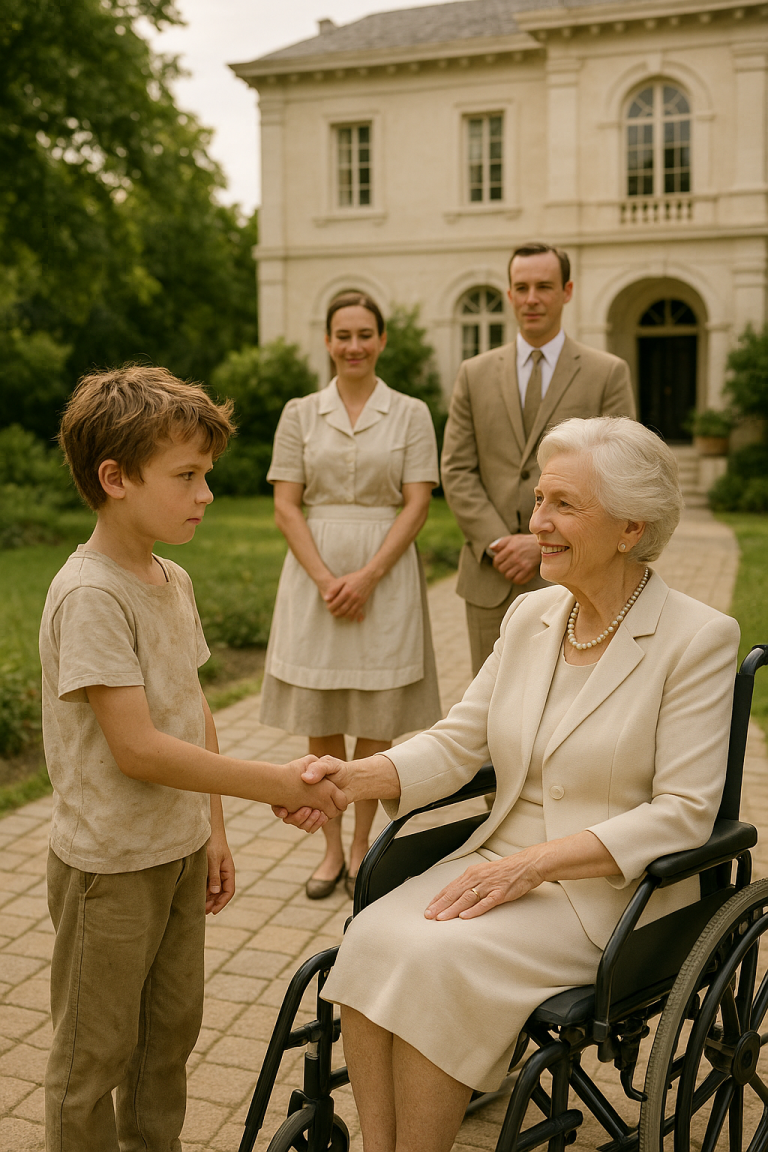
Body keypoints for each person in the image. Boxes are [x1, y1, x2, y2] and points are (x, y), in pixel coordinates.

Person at [284, 416, 740, 1152]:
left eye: (563, 505)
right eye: (538, 501)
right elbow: (460, 740)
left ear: (631, 526)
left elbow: (686, 812)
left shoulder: (697, 638)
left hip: (609, 894)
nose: (537, 524)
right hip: (498, 863)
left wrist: (535, 865)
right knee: (370, 936)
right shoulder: (532, 615)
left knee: (436, 960)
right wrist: (353, 777)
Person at [42, 366, 345, 1151]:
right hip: (109, 869)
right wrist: (274, 782)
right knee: (93, 1059)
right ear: (115, 479)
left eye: (205, 475)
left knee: (166, 1043)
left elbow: (194, 707)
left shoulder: (168, 577)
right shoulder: (91, 596)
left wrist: (213, 830)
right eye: (187, 476)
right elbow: (138, 749)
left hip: (177, 855)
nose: (206, 494)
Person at [260, 291, 442, 899]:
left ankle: (363, 846)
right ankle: (330, 849)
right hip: (314, 573)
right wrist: (324, 578)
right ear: (328, 340)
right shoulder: (300, 413)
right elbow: (286, 504)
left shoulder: (411, 412)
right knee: (323, 714)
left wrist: (366, 576)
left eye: (366, 334)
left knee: (373, 715)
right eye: (344, 334)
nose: (354, 345)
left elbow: (417, 501)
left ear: (382, 340)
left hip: (384, 574)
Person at [442, 242, 637, 677]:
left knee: (568, 708)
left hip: (578, 575)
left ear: (567, 291)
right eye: (522, 287)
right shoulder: (473, 374)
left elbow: (622, 473)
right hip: (492, 577)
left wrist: (542, 542)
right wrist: (498, 543)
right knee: (489, 712)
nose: (532, 298)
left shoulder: (607, 373)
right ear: (509, 295)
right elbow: (456, 469)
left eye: (544, 286)